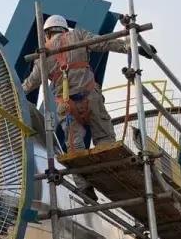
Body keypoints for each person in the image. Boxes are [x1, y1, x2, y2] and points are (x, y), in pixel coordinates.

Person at [21, 14, 136, 152]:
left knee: (75, 146)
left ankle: (78, 162)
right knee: (105, 139)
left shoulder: (43, 54)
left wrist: (15, 91)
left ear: (47, 33)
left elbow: (31, 82)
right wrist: (127, 47)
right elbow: (103, 43)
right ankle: (109, 159)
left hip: (66, 105)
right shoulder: (78, 35)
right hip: (90, 97)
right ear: (64, 29)